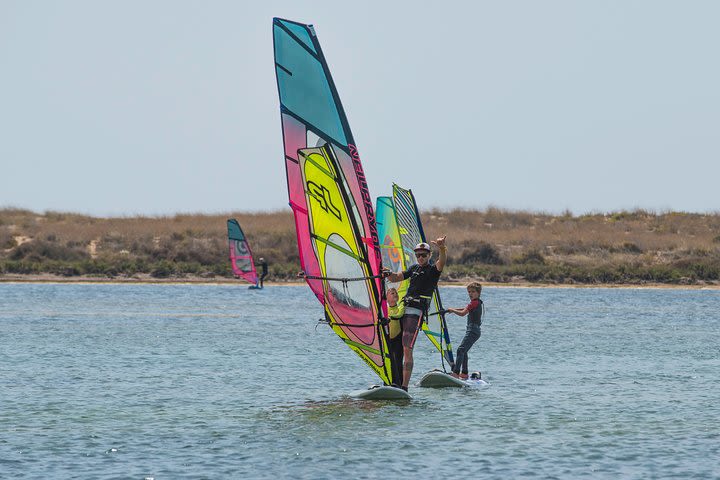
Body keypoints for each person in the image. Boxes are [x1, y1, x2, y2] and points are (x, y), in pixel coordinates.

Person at [383, 236, 447, 391]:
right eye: (418, 255)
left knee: (407, 348)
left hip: (415, 312)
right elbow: (397, 277)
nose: (420, 257)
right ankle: (394, 381)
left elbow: (442, 262)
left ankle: (404, 387)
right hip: (403, 309)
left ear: (429, 255)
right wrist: (387, 272)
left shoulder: (433, 270)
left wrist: (442, 248)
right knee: (393, 345)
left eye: (423, 255)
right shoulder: (413, 268)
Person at [446, 282, 483, 380]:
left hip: (472, 330)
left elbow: (463, 313)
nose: (470, 294)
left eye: (473, 292)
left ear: (478, 293)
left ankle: (456, 373)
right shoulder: (476, 302)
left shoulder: (474, 302)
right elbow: (466, 309)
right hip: (474, 330)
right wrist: (452, 309)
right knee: (464, 351)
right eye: (469, 292)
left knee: (460, 350)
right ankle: (465, 373)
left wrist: (453, 311)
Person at [385, 287, 405, 388]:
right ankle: (387, 383)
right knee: (388, 362)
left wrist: (390, 318)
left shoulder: (400, 308)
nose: (395, 294)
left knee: (398, 362)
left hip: (398, 339)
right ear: (387, 298)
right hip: (387, 340)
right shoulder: (385, 310)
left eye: (395, 293)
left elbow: (399, 315)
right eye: (392, 293)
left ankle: (399, 384)